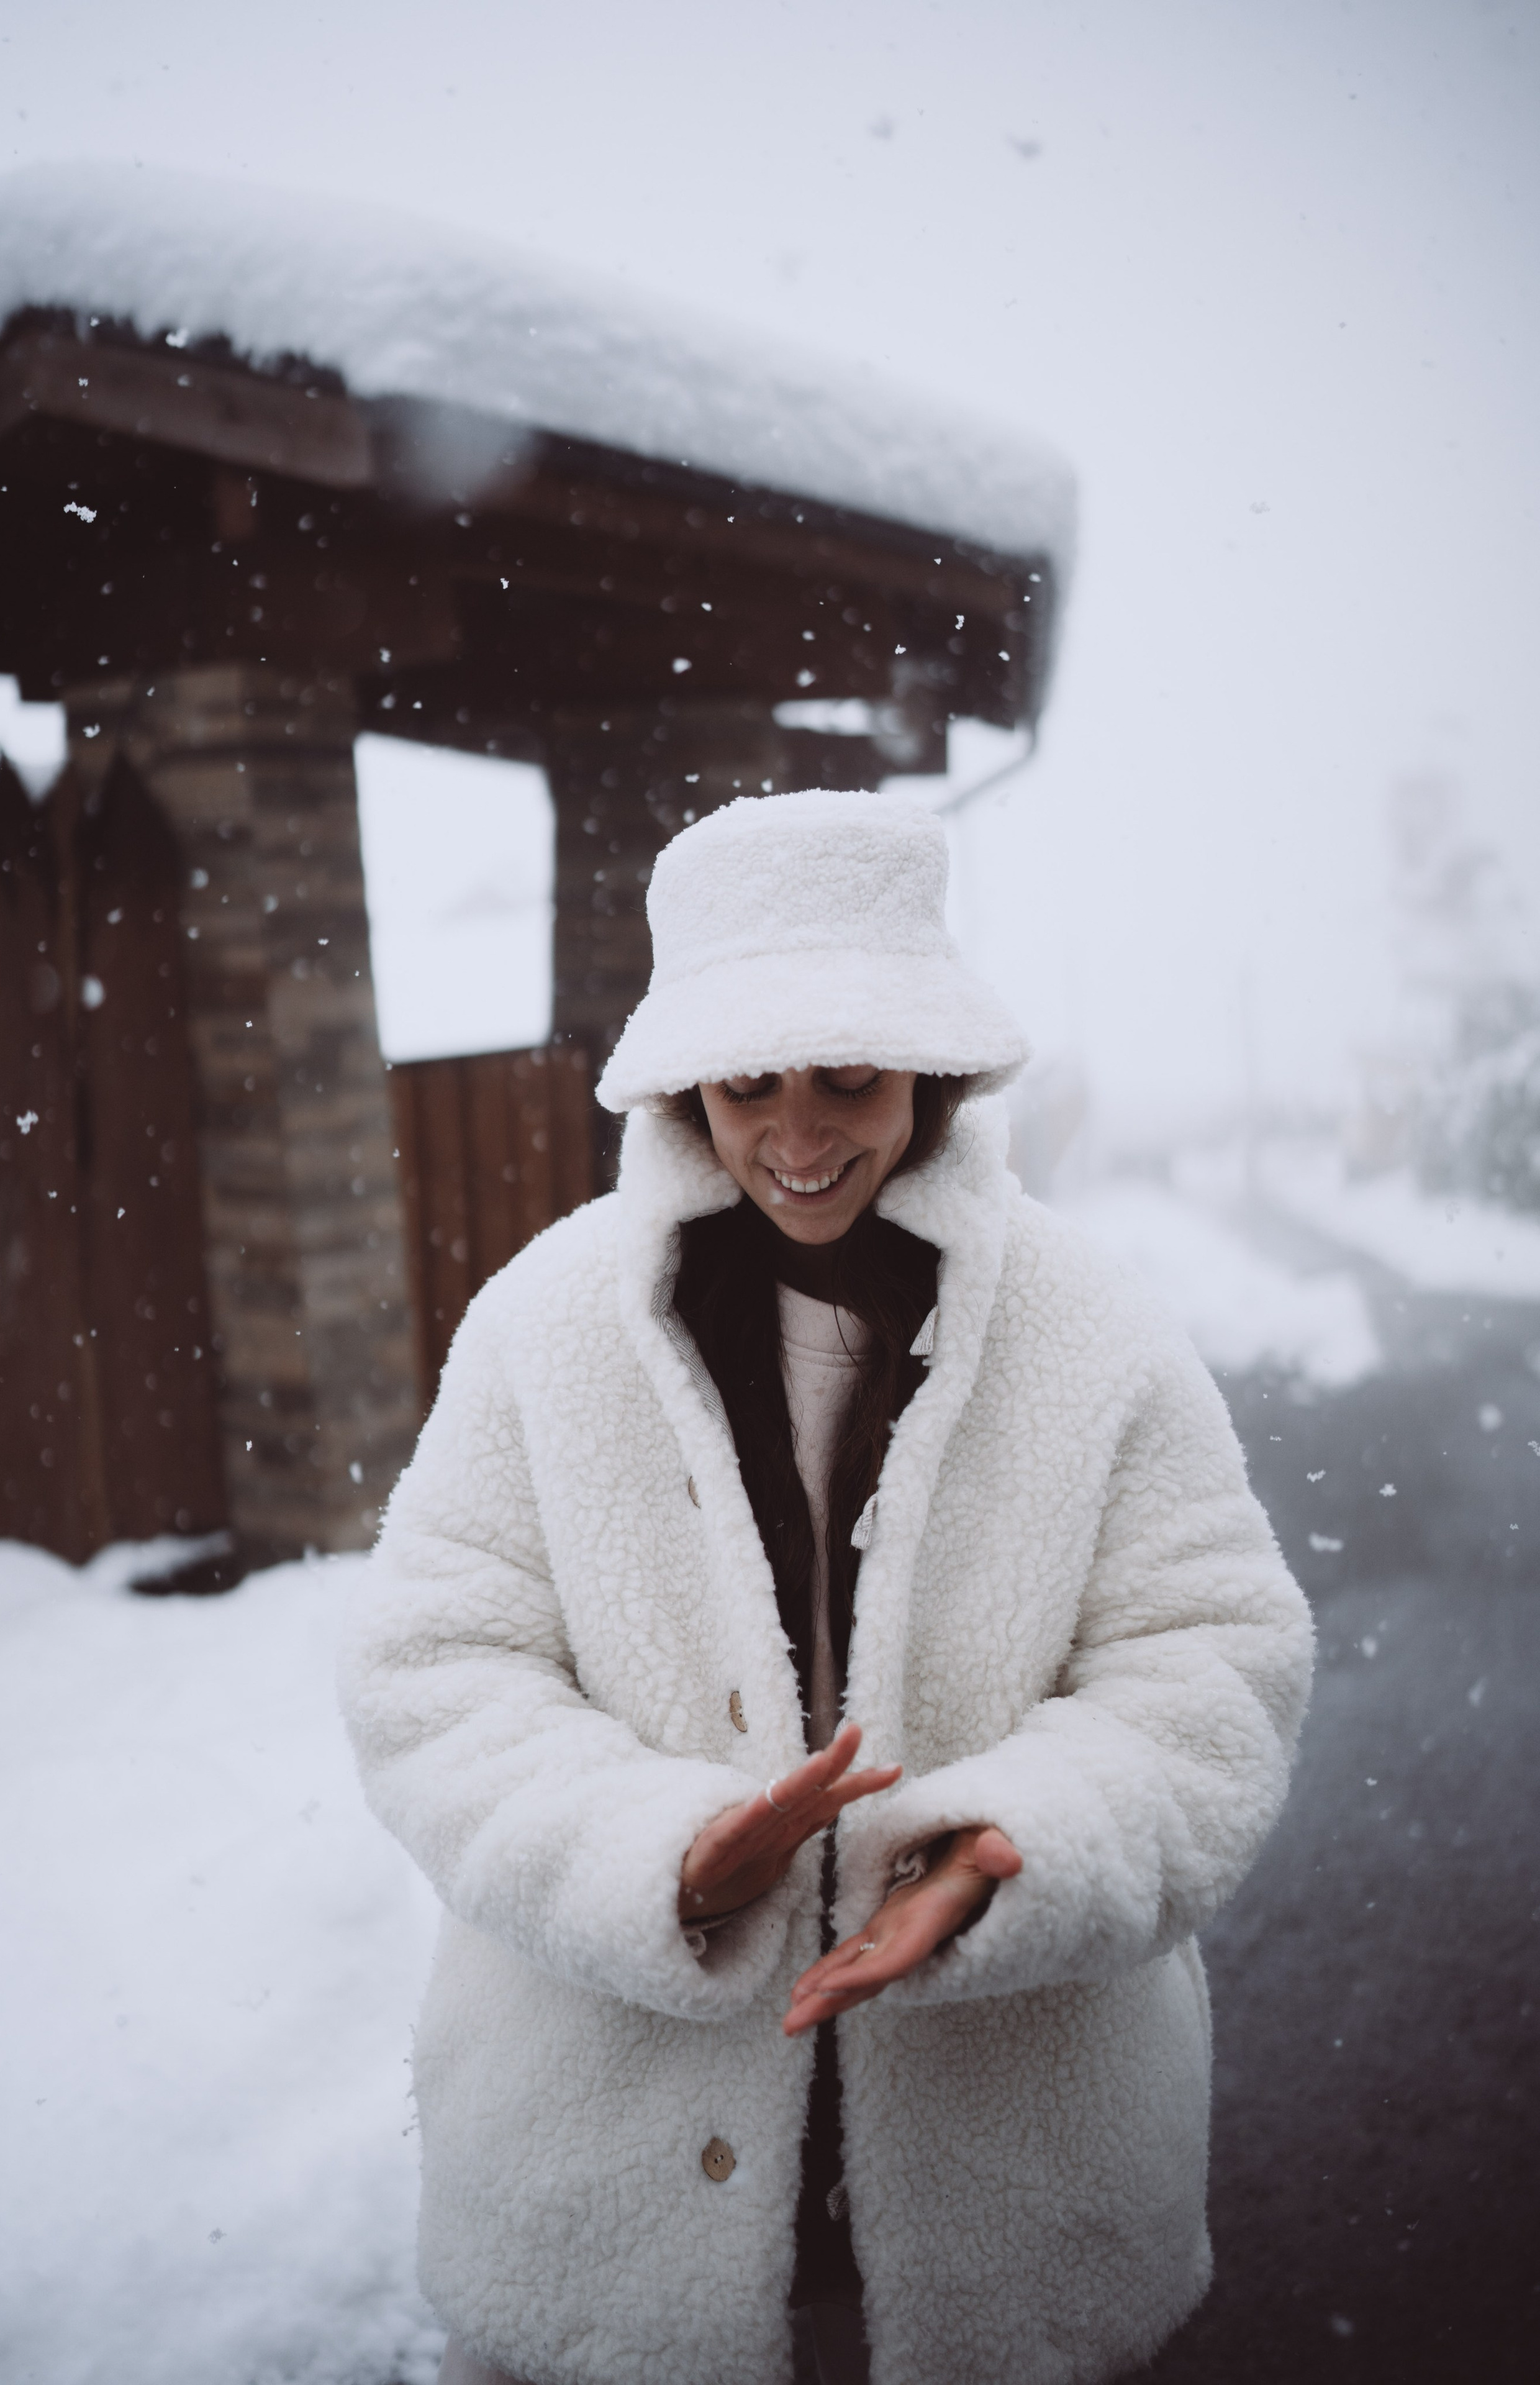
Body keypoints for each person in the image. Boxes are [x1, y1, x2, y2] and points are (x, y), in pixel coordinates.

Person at [340, 789, 1313, 2385]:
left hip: (1017, 2179)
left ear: (927, 1068)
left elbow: (1208, 1662)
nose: (797, 1137)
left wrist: (997, 1862)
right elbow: (435, 1670)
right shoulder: (543, 1325)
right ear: (684, 1083)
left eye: (847, 1078)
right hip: (599, 2191)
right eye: (746, 1086)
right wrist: (659, 1868)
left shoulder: (1092, 1327)